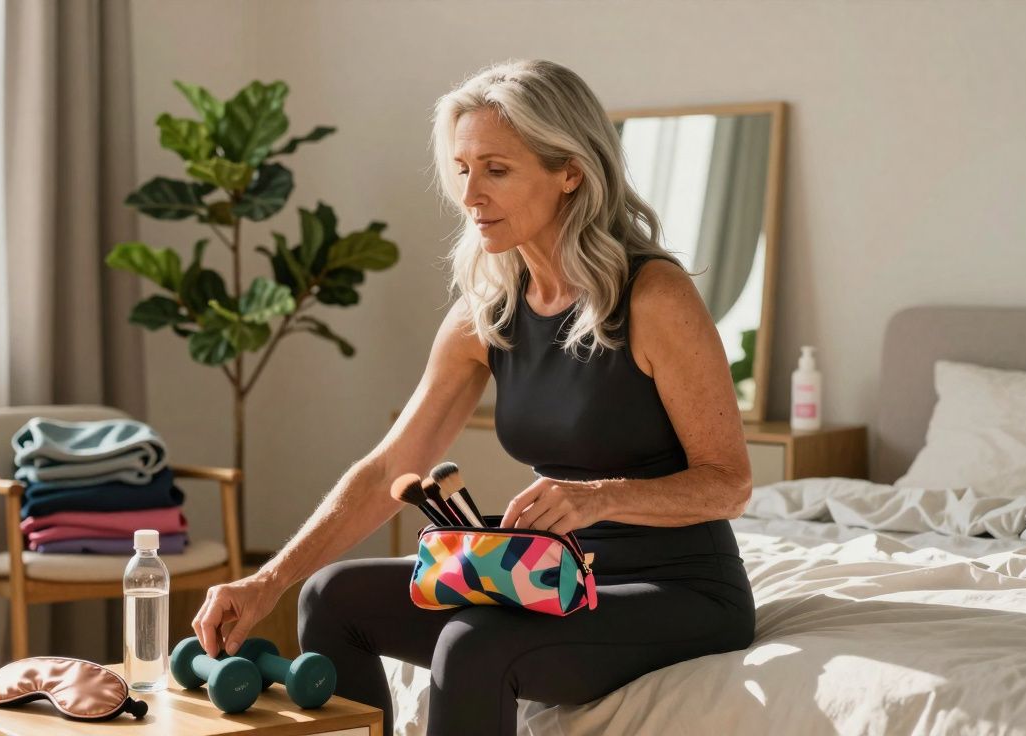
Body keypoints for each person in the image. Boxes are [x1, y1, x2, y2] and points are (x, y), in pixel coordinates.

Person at [192, 58, 756, 735]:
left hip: (676, 588)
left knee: (474, 644)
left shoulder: (653, 297)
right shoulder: (484, 314)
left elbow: (730, 484)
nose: (470, 193)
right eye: (462, 168)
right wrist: (267, 581)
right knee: (330, 596)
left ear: (569, 171)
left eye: (496, 169)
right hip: (547, 576)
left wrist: (598, 497)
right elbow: (388, 469)